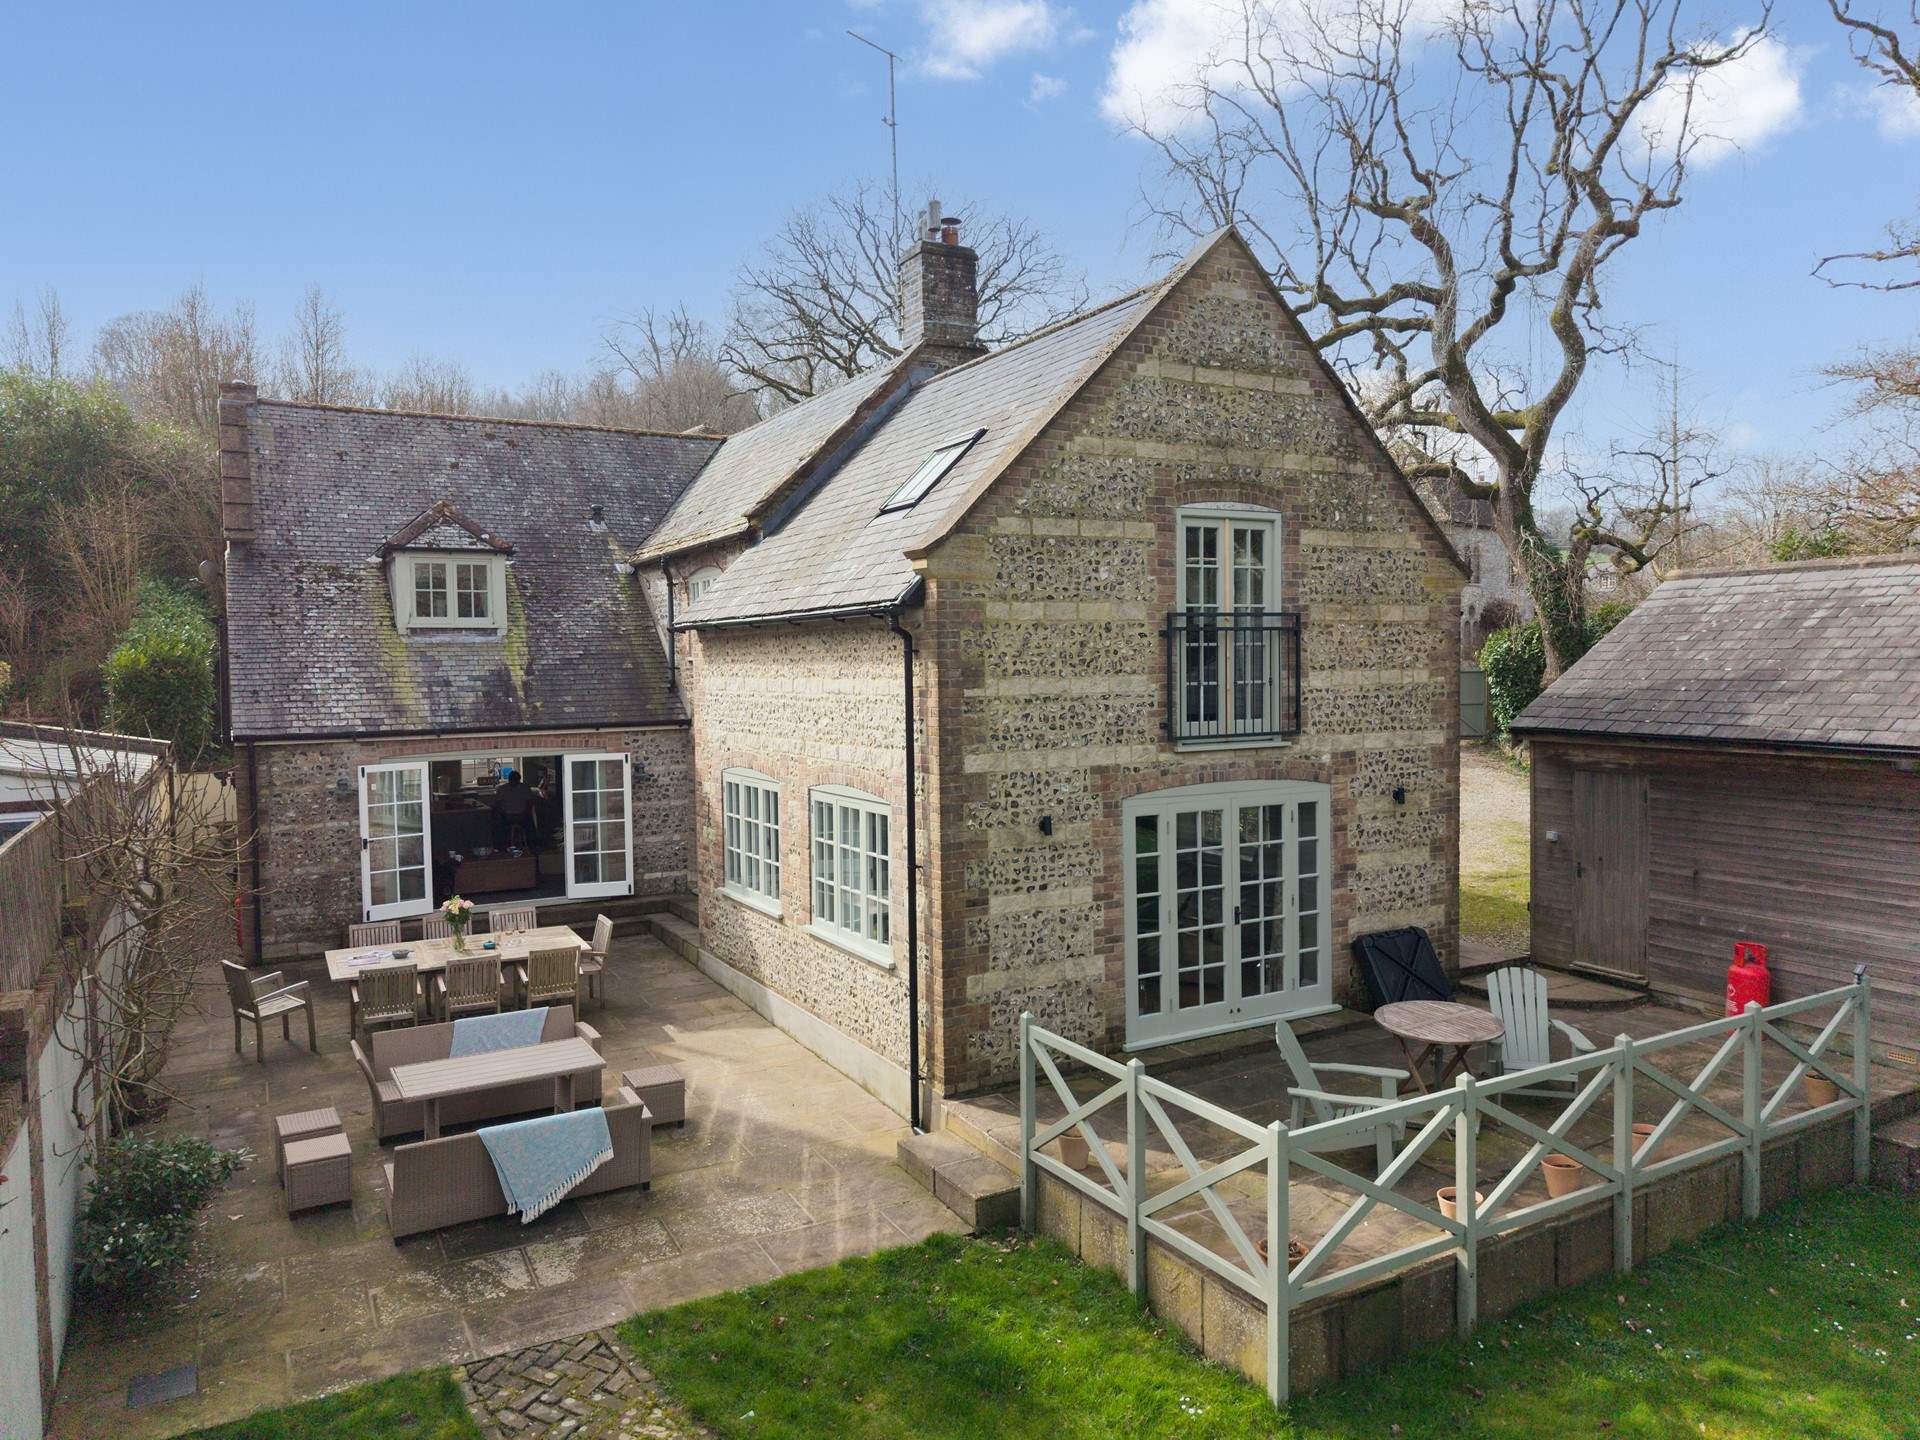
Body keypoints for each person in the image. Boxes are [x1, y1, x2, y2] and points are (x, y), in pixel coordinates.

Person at [492, 767, 536, 850]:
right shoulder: (503, 789)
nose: (514, 781)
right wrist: (503, 814)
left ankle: (531, 845)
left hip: (521, 815)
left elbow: (530, 803)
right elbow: (498, 805)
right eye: (512, 779)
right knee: (498, 826)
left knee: (530, 827)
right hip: (508, 816)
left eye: (515, 780)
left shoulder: (524, 788)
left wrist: (525, 813)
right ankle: (502, 846)